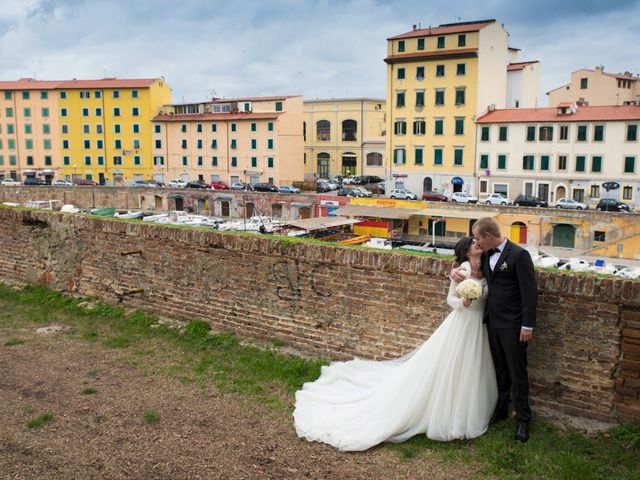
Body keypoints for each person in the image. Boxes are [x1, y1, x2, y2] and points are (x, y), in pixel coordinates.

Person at [293, 237, 497, 451]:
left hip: (478, 326)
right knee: (453, 366)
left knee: (473, 366)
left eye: (477, 241)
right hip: (462, 323)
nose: (477, 244)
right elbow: (450, 300)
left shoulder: (486, 266)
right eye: (473, 243)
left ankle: (468, 410)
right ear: (466, 252)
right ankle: (450, 414)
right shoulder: (461, 271)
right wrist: (463, 302)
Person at [451, 217, 536, 443]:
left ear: (488, 236)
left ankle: (523, 420)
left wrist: (527, 324)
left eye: (478, 238)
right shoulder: (486, 254)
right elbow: (469, 267)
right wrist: (454, 274)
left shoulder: (519, 255)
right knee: (499, 371)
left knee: (517, 372)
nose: (476, 242)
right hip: (490, 322)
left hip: (514, 325)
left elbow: (529, 293)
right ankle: (500, 410)